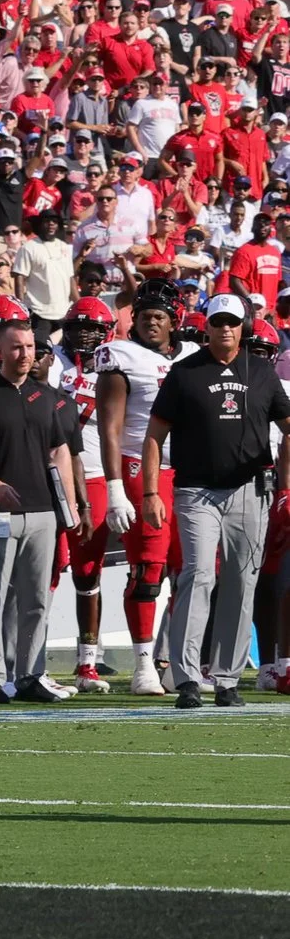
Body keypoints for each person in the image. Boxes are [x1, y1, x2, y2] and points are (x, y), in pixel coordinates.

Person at [142, 293, 290, 708]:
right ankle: (188, 677)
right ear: (205, 326)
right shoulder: (184, 372)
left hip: (250, 489)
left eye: (232, 322)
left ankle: (226, 678)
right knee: (199, 574)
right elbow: (154, 435)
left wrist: (285, 484)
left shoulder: (262, 371)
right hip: (196, 490)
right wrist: (150, 492)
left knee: (242, 581)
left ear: (244, 327)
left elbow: (288, 425)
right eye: (218, 321)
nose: (225, 328)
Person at [0, 311, 82, 704]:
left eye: (29, 347)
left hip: (42, 513)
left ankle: (30, 674)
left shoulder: (46, 398)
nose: (25, 354)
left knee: (37, 599)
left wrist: (70, 504)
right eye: (17, 347)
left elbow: (59, 450)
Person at [98, 290, 188, 694]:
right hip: (140, 468)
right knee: (148, 569)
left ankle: (177, 659)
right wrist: (114, 486)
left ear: (174, 322)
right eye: (144, 315)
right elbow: (110, 428)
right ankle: (143, 663)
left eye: (159, 316)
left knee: (192, 570)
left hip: (189, 471)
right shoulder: (121, 356)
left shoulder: (193, 356)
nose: (151, 322)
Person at [54, 298, 117, 692]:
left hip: (96, 476)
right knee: (45, 571)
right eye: (79, 327)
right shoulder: (51, 362)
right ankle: (21, 661)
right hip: (49, 476)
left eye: (94, 328)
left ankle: (88, 662)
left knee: (88, 572)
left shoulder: (118, 364)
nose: (87, 335)